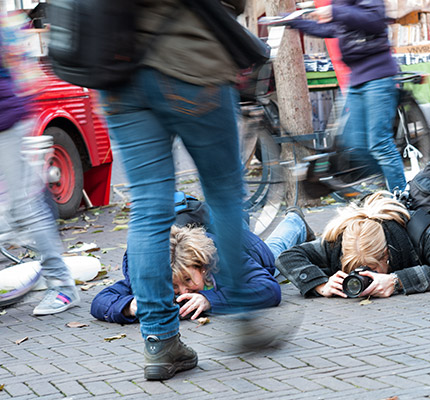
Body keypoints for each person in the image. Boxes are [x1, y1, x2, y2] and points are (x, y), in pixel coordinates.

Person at [97, 0, 249, 380]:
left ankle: (160, 342)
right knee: (224, 192)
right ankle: (246, 316)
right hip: (188, 58)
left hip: (117, 72)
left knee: (149, 206)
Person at [90, 208, 314, 323]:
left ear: (203, 267)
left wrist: (210, 300)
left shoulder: (223, 257)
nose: (183, 292)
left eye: (187, 280)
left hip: (245, 249)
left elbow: (269, 290)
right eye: (174, 286)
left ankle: (294, 221)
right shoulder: (149, 274)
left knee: (275, 252)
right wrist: (130, 306)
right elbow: (100, 301)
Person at [0, 8, 79, 315]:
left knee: (27, 207)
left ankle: (63, 287)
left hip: (6, 119)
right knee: (16, 209)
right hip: (10, 115)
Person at [285, 0, 407, 192]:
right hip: (356, 78)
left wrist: (334, 11)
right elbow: (333, 30)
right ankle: (388, 183)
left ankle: (402, 200)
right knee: (355, 145)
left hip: (378, 75)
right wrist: (294, 22)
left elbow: (374, 20)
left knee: (379, 144)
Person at [276, 191, 430, 298]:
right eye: (354, 268)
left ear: (387, 254)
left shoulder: (416, 230)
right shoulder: (337, 242)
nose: (363, 274)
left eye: (372, 268)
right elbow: (287, 257)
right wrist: (321, 284)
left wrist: (396, 280)